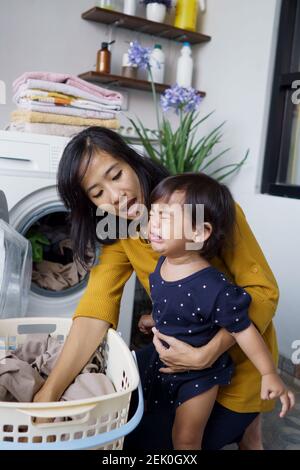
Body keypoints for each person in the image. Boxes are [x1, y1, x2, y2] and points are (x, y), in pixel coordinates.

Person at [33, 127, 281, 449]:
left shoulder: (201, 209)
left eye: (116, 174)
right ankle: (247, 429)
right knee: (131, 429)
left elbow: (263, 291)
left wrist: (207, 354)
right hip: (179, 362)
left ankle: (249, 424)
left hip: (239, 362)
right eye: (97, 193)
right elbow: (95, 311)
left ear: (133, 161)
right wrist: (49, 392)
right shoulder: (120, 231)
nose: (115, 196)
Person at [140, 173, 294, 450]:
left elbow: (244, 329)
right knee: (160, 426)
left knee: (185, 439)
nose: (153, 223)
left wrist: (269, 373)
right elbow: (174, 302)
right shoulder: (164, 262)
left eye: (167, 217)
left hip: (200, 377)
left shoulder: (214, 286)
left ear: (199, 233)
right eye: (153, 214)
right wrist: (155, 318)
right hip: (165, 366)